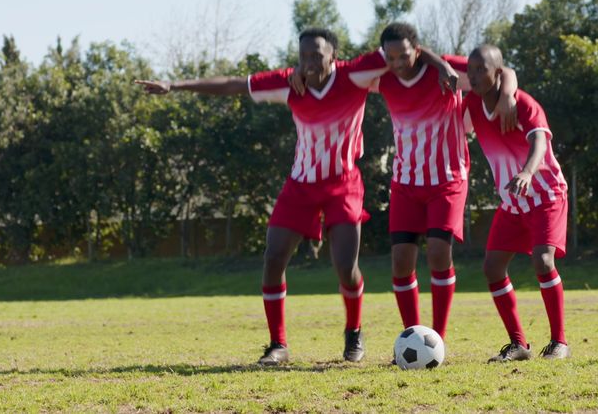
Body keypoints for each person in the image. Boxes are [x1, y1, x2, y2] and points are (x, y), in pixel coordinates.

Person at [136, 28, 384, 366]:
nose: (310, 61)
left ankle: (353, 332)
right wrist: (175, 86)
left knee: (345, 266)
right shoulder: (289, 83)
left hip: (343, 183)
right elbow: (234, 85)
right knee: (273, 259)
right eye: (304, 56)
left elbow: (406, 52)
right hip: (300, 185)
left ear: (333, 56)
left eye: (317, 55)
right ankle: (277, 344)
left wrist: (444, 71)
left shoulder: (355, 76)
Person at [371, 23, 517, 341]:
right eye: (391, 56)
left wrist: (506, 95)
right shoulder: (381, 75)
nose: (398, 63)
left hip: (447, 179)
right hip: (405, 182)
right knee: (400, 262)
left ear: (418, 50)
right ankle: (412, 334)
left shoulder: (450, 71)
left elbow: (503, 69)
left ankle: (437, 338)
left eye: (405, 55)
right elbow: (340, 74)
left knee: (438, 252)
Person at [462, 44, 570, 361]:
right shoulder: (472, 103)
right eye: (470, 71)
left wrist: (526, 171)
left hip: (546, 193)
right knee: (492, 268)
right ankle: (518, 345)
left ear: (499, 72)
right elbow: (444, 72)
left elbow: (539, 141)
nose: (473, 75)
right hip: (512, 201)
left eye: (481, 69)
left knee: (543, 261)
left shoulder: (523, 103)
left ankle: (559, 342)